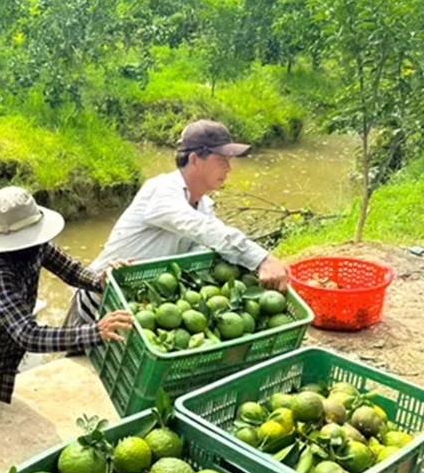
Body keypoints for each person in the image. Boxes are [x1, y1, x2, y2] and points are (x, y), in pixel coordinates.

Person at [0, 186, 133, 403]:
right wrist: (95, 332)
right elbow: (28, 335)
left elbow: (70, 269)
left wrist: (100, 279)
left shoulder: (35, 246)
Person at [69, 119, 288, 327]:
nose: (228, 168)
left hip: (141, 309)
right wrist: (262, 259)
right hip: (98, 302)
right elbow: (203, 230)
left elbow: (212, 246)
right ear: (194, 159)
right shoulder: (161, 191)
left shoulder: (204, 207)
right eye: (222, 159)